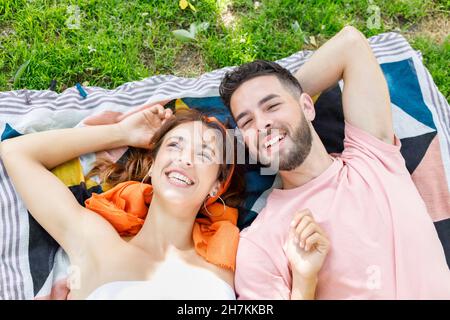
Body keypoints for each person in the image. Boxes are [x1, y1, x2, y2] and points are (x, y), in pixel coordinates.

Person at [219, 26, 450, 299]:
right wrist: (304, 281)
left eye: (271, 106)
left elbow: (351, 44)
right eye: (246, 121)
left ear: (307, 106)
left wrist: (289, 97)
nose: (262, 123)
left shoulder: (373, 156)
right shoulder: (259, 245)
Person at [0, 105, 244, 300]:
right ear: (154, 164)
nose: (185, 159)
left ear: (216, 185)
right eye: (174, 146)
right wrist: (122, 132)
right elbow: (16, 152)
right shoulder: (96, 242)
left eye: (203, 154)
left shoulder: (231, 259)